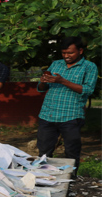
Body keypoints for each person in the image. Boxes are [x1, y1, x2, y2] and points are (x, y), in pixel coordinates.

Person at [37, 36, 98, 172]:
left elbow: (87, 89)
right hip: (48, 113)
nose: (66, 56)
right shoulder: (56, 64)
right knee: (44, 153)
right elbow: (41, 88)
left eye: (70, 53)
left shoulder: (89, 67)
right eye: (64, 53)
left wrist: (63, 81)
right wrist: (43, 81)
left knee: (71, 152)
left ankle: (71, 181)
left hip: (71, 115)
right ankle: (44, 178)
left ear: (80, 51)